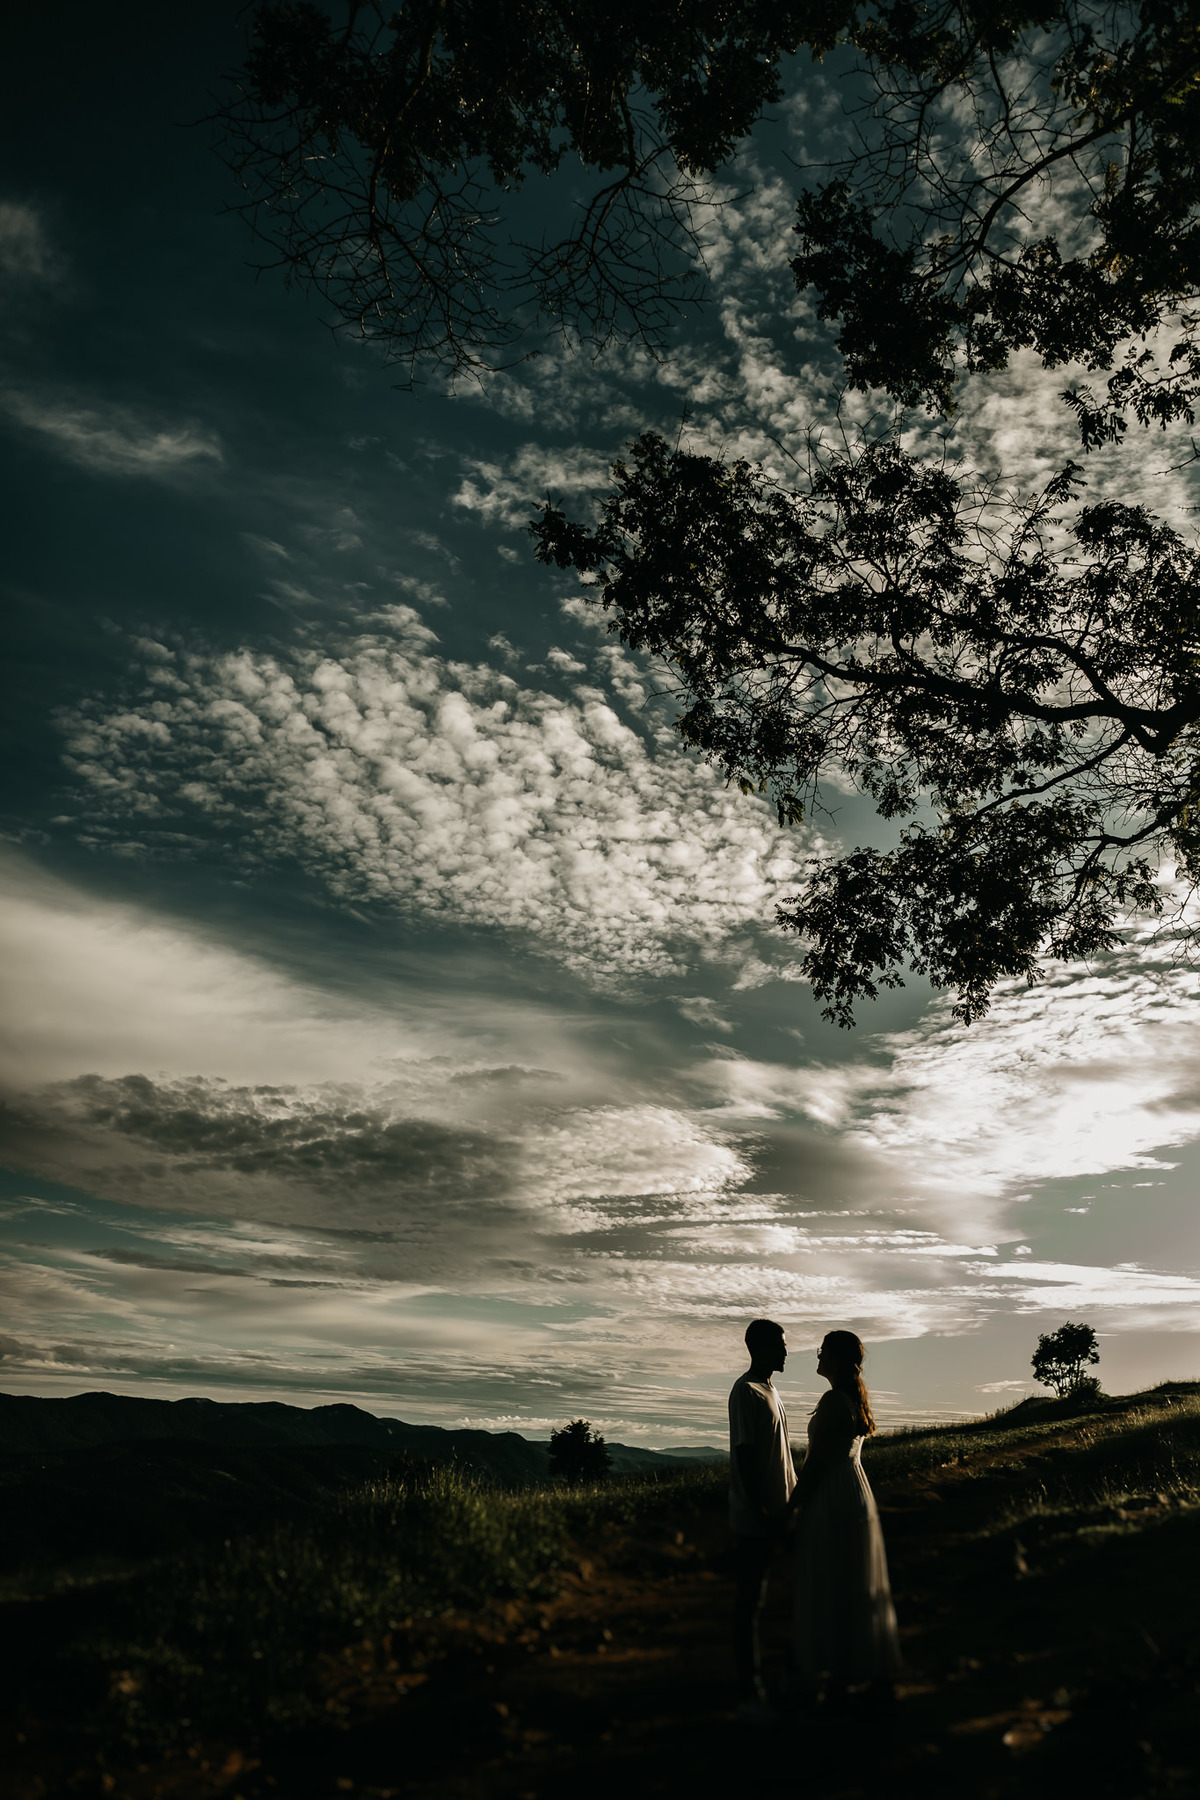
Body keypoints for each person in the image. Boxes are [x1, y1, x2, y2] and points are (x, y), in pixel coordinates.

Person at [791, 1329, 901, 1707]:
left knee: (833, 1583)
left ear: (835, 1360)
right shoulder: (851, 1399)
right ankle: (861, 1674)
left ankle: (839, 1679)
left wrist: (791, 1507)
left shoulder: (834, 1401)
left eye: (822, 1351)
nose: (817, 1357)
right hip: (855, 1491)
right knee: (852, 1582)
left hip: (833, 1496)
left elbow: (817, 1464)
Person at [728, 1317, 796, 1720]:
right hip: (760, 1518)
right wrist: (762, 1510)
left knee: (775, 1599)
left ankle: (779, 1677)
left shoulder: (771, 1390)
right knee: (750, 1603)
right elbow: (747, 1456)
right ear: (762, 1348)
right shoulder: (746, 1391)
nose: (787, 1352)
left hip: (781, 1513)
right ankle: (748, 1691)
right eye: (781, 1345)